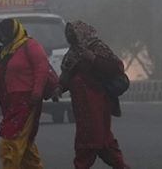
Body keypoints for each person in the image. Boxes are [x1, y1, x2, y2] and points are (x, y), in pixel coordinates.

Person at [53, 20, 129, 169]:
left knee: (97, 136)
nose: (71, 36)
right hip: (81, 105)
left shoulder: (97, 47)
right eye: (68, 34)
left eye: (73, 33)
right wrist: (59, 89)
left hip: (98, 101)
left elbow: (116, 67)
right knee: (88, 136)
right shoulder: (72, 54)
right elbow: (66, 76)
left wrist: (93, 59)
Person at [0, 18, 48, 169]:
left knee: (11, 141)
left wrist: (37, 91)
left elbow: (42, 68)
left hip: (27, 101)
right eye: (1, 35)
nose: (4, 37)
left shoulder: (30, 45)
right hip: (9, 102)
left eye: (6, 34)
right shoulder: (3, 51)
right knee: (25, 146)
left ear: (15, 31)